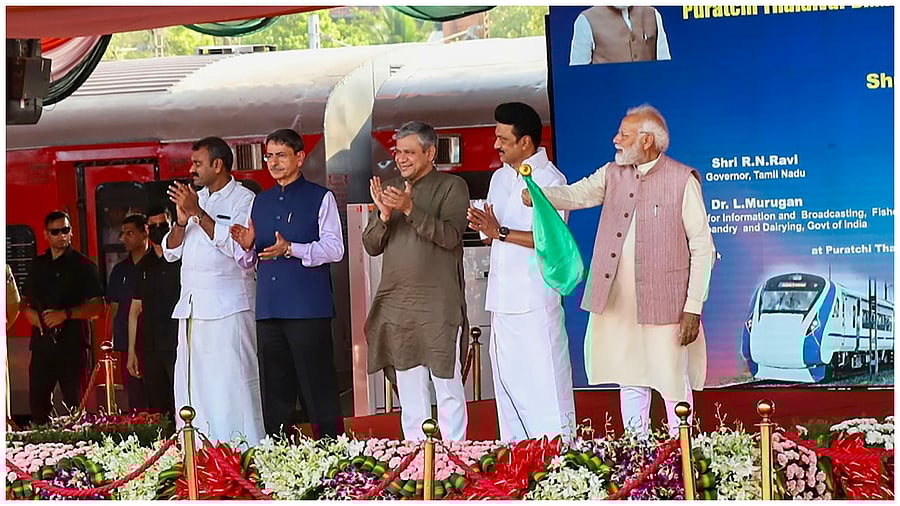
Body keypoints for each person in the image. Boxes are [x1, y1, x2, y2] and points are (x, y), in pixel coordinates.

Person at [523, 105, 715, 436]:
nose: (616, 139)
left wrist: (693, 309)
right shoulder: (612, 173)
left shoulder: (682, 179)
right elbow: (576, 194)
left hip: (666, 303)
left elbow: (703, 248)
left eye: (624, 134)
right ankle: (637, 452)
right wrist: (540, 195)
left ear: (647, 140)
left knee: (671, 380)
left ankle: (680, 451)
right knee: (630, 378)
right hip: (619, 300)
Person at [466, 102, 575, 441]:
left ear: (525, 142)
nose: (496, 145)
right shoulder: (499, 177)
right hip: (501, 301)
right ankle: (518, 456)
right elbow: (492, 234)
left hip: (534, 300)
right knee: (508, 386)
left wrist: (499, 232)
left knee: (545, 384)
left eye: (503, 139)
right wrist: (484, 228)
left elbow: (550, 243)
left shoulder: (551, 180)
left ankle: (559, 457)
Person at [230, 128, 345, 439]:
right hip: (269, 308)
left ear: (300, 157)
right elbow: (249, 262)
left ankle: (331, 450)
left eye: (281, 155)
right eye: (269, 156)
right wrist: (247, 247)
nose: (273, 162)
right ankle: (280, 455)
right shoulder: (260, 202)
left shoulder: (320, 197)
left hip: (308, 309)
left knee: (317, 388)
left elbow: (335, 249)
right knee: (275, 392)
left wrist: (292, 248)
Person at [363, 121, 470, 441]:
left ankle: (455, 455)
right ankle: (415, 455)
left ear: (430, 153)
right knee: (409, 389)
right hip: (398, 305)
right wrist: (384, 215)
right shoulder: (390, 189)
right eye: (398, 152)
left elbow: (451, 237)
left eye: (409, 152)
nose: (401, 158)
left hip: (439, 305)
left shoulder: (452, 187)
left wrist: (409, 208)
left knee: (447, 385)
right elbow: (371, 245)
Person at [163, 136, 264, 444]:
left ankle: (243, 450)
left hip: (229, 308)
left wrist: (198, 213)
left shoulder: (244, 200)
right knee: (195, 388)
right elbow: (170, 252)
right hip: (193, 308)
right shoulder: (196, 199)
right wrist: (182, 222)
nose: (191, 169)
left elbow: (239, 249)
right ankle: (200, 451)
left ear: (218, 164)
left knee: (233, 385)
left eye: (198, 163)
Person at [22, 211, 105, 425]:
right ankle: (42, 441)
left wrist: (66, 314)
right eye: (55, 231)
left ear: (71, 232)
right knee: (38, 404)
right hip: (42, 345)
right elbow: (23, 300)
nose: (61, 235)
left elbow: (98, 306)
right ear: (45, 234)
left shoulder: (84, 266)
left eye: (65, 230)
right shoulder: (38, 265)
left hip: (72, 346)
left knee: (75, 405)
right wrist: (29, 314)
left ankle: (80, 442)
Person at [128, 205, 180, 418]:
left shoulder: (182, 260)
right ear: (147, 230)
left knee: (182, 402)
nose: (159, 229)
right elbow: (134, 310)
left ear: (172, 225)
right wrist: (131, 351)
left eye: (163, 225)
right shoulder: (143, 265)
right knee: (158, 407)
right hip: (151, 347)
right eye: (154, 226)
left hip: (179, 344)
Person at [107, 213, 150, 412]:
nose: (124, 238)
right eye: (123, 234)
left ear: (145, 233)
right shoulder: (119, 271)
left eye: (130, 233)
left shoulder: (156, 264)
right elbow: (114, 308)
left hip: (153, 342)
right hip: (127, 343)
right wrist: (111, 340)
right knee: (134, 397)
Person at [569, 6, 671, 65]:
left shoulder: (653, 14)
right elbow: (577, 76)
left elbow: (665, 67)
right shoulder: (585, 20)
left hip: (649, 93)